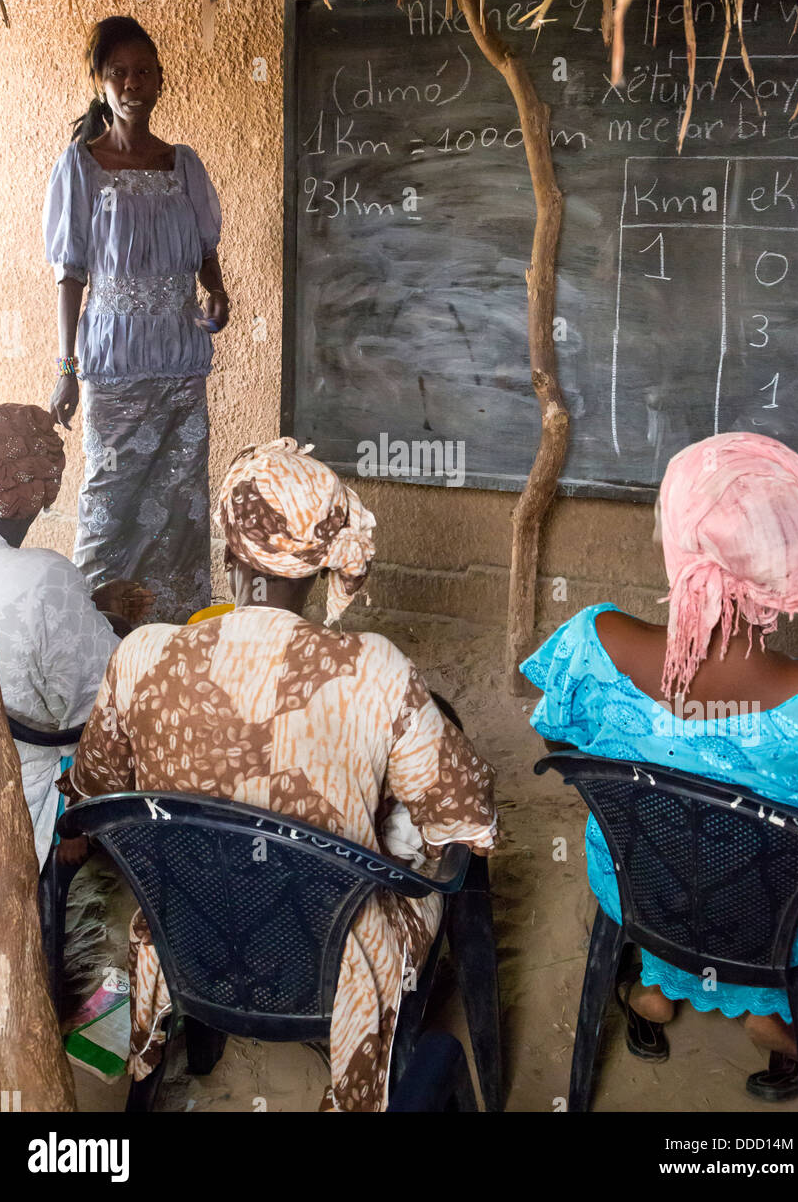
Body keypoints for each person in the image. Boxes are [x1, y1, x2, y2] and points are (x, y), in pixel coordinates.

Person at [60, 438, 497, 1111]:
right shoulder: (376, 670)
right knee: (427, 845)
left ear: (230, 552)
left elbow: (92, 792)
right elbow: (467, 818)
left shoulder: (142, 656)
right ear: (322, 565)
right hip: (333, 965)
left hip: (186, 938)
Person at [522, 431, 798, 1102]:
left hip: (646, 891)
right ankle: (768, 1012)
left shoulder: (593, 647)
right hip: (783, 924)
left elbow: (561, 745)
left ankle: (652, 992)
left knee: (670, 843)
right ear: (793, 561)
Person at [43, 14, 230, 624]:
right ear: (100, 82)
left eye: (143, 71)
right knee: (108, 505)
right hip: (115, 367)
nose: (132, 83)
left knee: (179, 508)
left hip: (180, 362)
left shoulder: (184, 165)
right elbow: (71, 272)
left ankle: (171, 635)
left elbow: (205, 251)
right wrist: (67, 367)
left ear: (160, 80)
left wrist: (217, 292)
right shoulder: (81, 166)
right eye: (118, 72)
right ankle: (98, 637)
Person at [0, 403, 152, 871]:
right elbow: (103, 701)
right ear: (37, 491)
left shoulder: (33, 580)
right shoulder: (42, 577)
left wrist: (91, 609)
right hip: (18, 798)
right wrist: (127, 633)